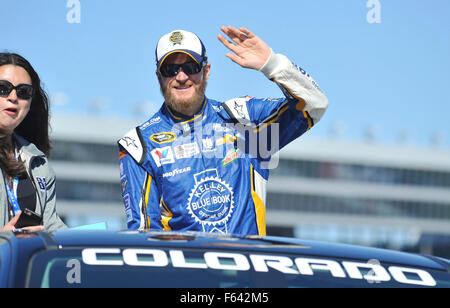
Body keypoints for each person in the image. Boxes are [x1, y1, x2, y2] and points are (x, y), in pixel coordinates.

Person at [118, 26, 328, 235]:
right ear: (158, 76)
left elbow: (315, 104)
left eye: (190, 67)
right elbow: (143, 237)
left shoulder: (244, 118)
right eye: (170, 70)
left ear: (206, 70)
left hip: (249, 265)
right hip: (187, 268)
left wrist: (272, 64)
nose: (181, 77)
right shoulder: (138, 145)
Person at [0, 53, 66, 232]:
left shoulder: (38, 163)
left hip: (25, 259)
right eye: (3, 88)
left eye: (23, 91)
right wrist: (3, 241)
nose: (13, 96)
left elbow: (51, 227)